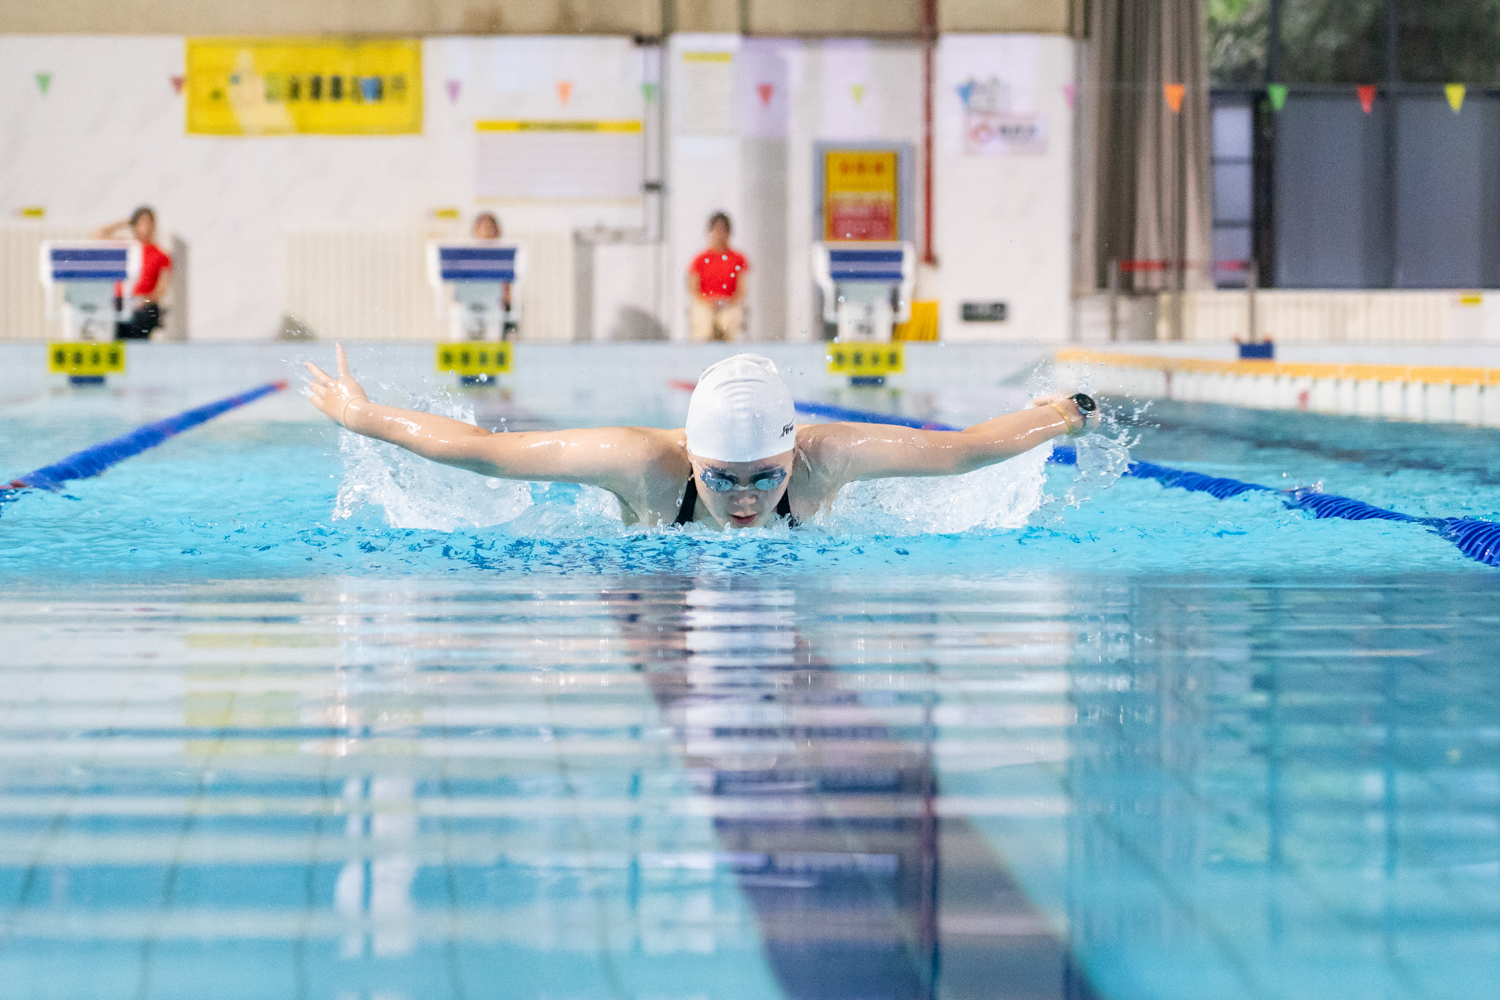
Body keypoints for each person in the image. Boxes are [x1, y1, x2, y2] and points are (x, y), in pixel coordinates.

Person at [305, 348, 1098, 531]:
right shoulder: (643, 465)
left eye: (765, 477)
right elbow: (488, 455)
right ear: (692, 457)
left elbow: (963, 450)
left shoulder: (826, 461)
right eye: (723, 479)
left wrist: (1064, 413)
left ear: (793, 454)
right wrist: (363, 416)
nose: (747, 497)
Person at [94, 206, 171, 341]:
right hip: (119, 303)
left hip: (142, 306)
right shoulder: (125, 247)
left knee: (141, 320)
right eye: (141, 222)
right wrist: (125, 223)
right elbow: (98, 234)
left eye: (148, 223)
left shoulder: (161, 255)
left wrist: (142, 301)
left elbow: (161, 289)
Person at [687, 212, 747, 343]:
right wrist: (709, 302)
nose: (719, 234)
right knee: (703, 322)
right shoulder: (700, 260)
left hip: (730, 304)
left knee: (728, 321)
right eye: (716, 230)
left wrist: (726, 302)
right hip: (705, 304)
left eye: (723, 230)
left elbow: (741, 291)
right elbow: (693, 290)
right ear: (710, 232)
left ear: (729, 233)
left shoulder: (738, 259)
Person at [470, 211, 514, 338]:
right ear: (476, 231)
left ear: (496, 231)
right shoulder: (470, 255)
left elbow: (507, 285)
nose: (486, 231)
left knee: (495, 315)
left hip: (495, 302)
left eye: (489, 227)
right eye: (483, 227)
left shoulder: (503, 255)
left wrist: (507, 302)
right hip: (474, 301)